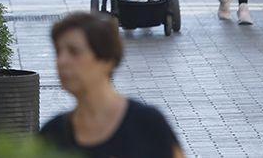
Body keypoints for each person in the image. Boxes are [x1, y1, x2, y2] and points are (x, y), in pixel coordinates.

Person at [40, 12, 183, 158]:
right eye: (58, 52)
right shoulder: (52, 134)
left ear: (107, 60)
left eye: (74, 52)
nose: (62, 61)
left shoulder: (147, 124)